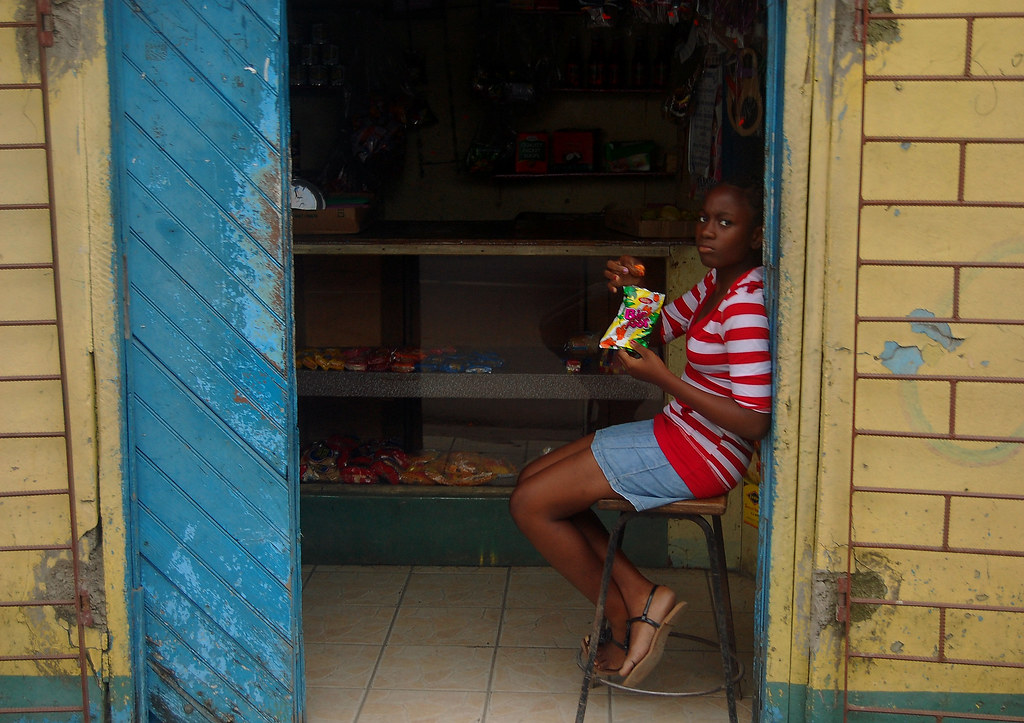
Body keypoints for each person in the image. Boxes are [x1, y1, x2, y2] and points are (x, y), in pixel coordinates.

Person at [508, 181, 771, 685]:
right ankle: (641, 596)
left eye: (725, 223)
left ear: (756, 235)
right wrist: (632, 291)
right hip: (679, 433)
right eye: (703, 218)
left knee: (530, 503)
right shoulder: (714, 286)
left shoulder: (744, 306)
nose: (706, 232)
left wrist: (665, 380)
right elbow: (643, 338)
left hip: (704, 453)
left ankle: (623, 617)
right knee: (534, 480)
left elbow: (754, 420)